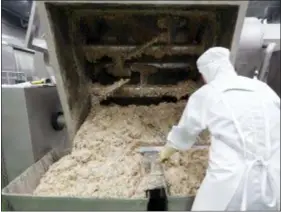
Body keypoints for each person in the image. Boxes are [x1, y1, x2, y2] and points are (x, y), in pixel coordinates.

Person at [159, 47, 280, 211]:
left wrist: (168, 150)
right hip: (273, 180)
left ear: (206, 73)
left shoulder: (207, 93)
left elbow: (186, 132)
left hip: (230, 182)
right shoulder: (263, 89)